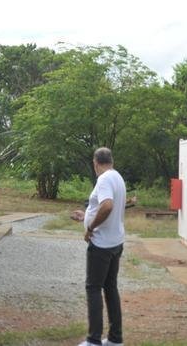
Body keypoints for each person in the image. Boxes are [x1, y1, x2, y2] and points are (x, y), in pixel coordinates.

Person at [69, 147, 126, 346]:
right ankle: (115, 339)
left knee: (93, 288)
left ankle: (93, 340)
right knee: (110, 288)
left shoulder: (103, 179)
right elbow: (107, 207)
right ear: (111, 160)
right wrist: (86, 216)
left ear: (95, 163)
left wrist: (90, 227)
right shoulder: (117, 177)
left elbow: (108, 205)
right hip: (115, 242)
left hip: (101, 244)